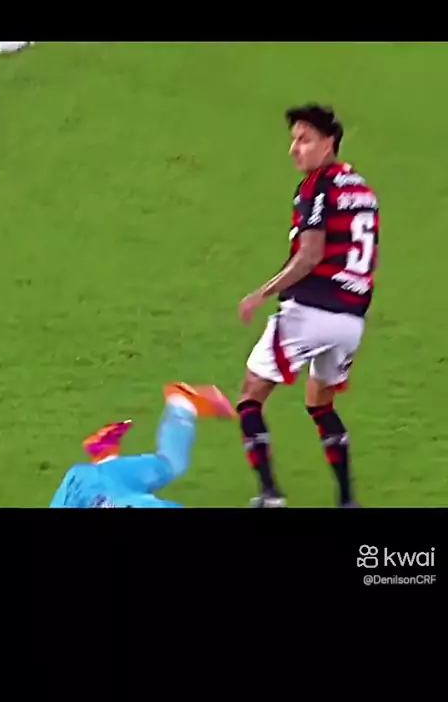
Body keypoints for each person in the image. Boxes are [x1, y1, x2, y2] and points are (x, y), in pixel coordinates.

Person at [237, 104, 380, 509]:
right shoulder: (363, 190)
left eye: (304, 140)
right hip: (351, 320)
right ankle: (347, 501)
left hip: (310, 311)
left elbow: (310, 255)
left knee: (250, 397)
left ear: (329, 142)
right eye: (293, 141)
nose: (295, 149)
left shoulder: (316, 186)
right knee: (320, 403)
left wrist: (262, 293)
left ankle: (270, 494)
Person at [50, 383, 235, 508]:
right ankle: (105, 454)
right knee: (170, 464)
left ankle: (182, 404)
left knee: (171, 464)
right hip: (85, 483)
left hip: (86, 489)